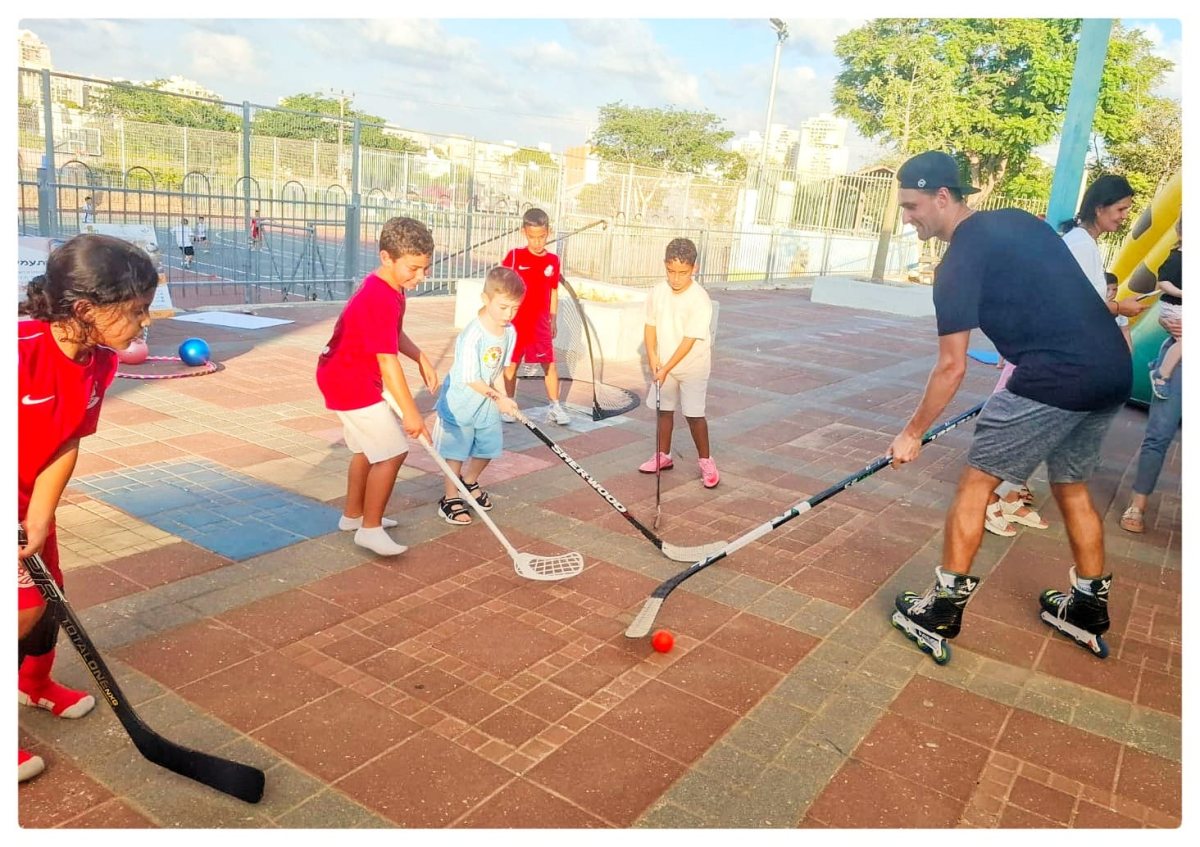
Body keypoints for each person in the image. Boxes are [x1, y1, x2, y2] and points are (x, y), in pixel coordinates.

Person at [886, 151, 1132, 662]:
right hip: (1110, 369)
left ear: (942, 197)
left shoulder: (955, 265)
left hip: (1054, 377)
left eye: (911, 206)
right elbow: (1052, 294)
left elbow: (951, 367)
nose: (907, 217)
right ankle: (1087, 606)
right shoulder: (1020, 221)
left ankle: (940, 611)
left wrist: (913, 432)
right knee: (1071, 485)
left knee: (976, 485)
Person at [18, 234, 160, 782]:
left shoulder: (99, 359)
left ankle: (33, 686)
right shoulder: (20, 348)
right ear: (84, 310)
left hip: (28, 503)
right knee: (23, 608)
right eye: (136, 311)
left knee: (48, 594)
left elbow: (67, 440)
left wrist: (38, 517)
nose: (144, 322)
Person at [315, 217, 439, 556]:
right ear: (387, 257)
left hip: (347, 375)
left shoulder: (390, 288)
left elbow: (392, 335)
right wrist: (412, 415)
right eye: (413, 269)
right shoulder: (379, 296)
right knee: (393, 451)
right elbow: (387, 361)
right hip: (349, 381)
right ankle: (370, 529)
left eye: (424, 269)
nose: (420, 277)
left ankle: (354, 516)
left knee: (367, 450)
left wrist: (421, 356)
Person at [433, 267, 524, 525]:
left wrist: (506, 397)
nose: (509, 315)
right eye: (504, 307)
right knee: (456, 453)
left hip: (487, 403)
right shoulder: (473, 334)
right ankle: (449, 498)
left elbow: (498, 371)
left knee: (489, 447)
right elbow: (471, 378)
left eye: (515, 308)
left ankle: (468, 482)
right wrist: (499, 399)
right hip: (460, 404)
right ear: (486, 299)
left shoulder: (510, 332)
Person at [640, 237, 719, 489]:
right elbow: (650, 325)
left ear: (694, 269)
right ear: (665, 265)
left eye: (682, 273)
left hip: (692, 365)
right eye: (671, 271)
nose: (675, 278)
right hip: (664, 364)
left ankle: (706, 461)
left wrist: (665, 367)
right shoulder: (658, 292)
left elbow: (687, 341)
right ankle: (663, 456)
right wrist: (653, 358)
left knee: (694, 414)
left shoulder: (699, 299)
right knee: (664, 410)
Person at [500, 208, 570, 425]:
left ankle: (555, 406)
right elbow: (501, 284)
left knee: (549, 363)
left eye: (541, 237)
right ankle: (509, 404)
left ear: (548, 232)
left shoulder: (553, 260)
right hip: (516, 323)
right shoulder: (514, 257)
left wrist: (553, 318)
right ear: (524, 232)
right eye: (532, 237)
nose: (537, 242)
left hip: (540, 323)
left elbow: (554, 291)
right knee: (511, 364)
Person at [1120, 311, 1182, 533]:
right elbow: (1168, 306)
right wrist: (1168, 321)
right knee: (1159, 435)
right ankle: (1138, 504)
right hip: (1179, 363)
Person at [1149, 219, 1182, 400]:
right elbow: (1163, 282)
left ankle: (1160, 364)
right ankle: (1162, 375)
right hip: (1175, 306)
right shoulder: (1177, 258)